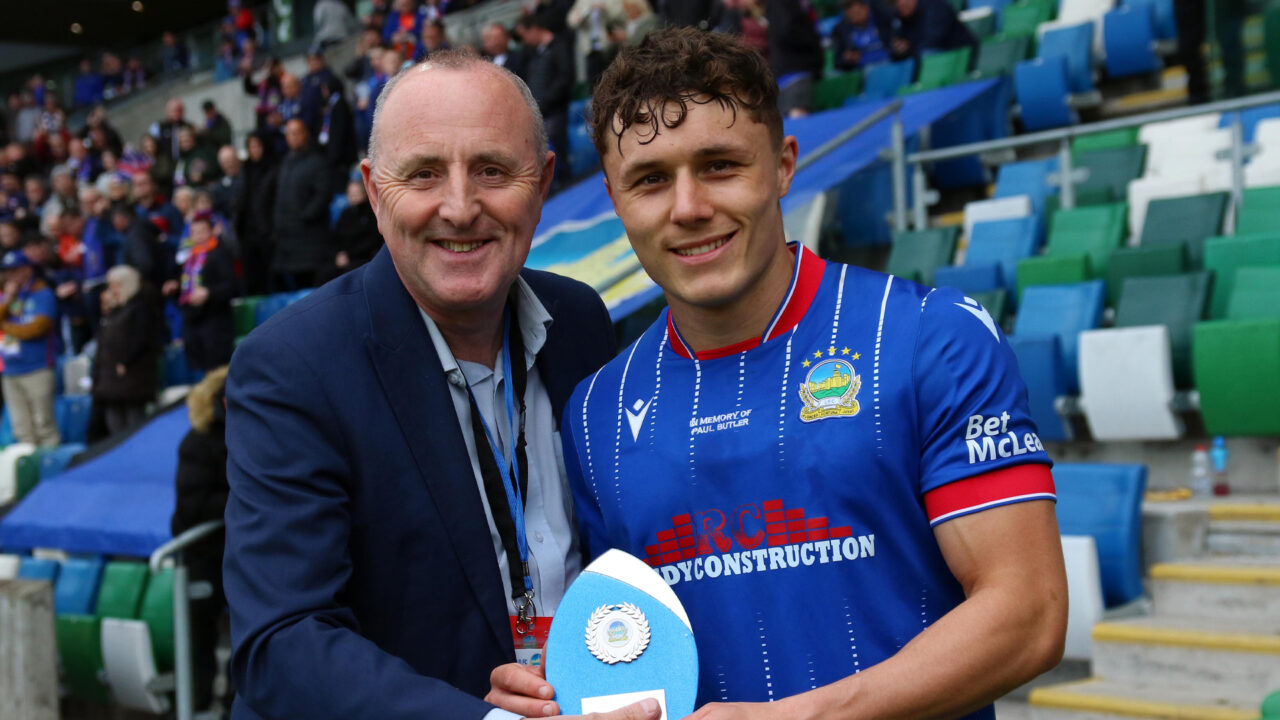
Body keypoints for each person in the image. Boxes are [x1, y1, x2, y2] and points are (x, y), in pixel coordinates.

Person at [489, 28, 1067, 719]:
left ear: (784, 166)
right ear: (615, 199)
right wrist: (551, 689)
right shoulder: (596, 411)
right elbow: (625, 647)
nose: (688, 207)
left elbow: (1029, 614)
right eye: (650, 180)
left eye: (720, 165)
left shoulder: (929, 336)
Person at [223, 50, 651, 720]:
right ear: (373, 190)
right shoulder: (293, 366)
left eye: (492, 170)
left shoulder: (580, 321)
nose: (459, 207)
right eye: (423, 173)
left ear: (542, 183)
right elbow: (282, 641)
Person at [172, 365, 234, 714]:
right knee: (199, 637)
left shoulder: (253, 440)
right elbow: (191, 506)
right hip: (204, 555)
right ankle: (197, 703)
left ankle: (234, 704)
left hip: (234, 553)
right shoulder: (198, 442)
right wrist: (244, 499)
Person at [91, 264, 161, 434]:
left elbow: (142, 340)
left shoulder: (141, 308)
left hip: (132, 377)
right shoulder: (115, 311)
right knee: (114, 423)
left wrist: (125, 362)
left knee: (134, 424)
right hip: (111, 379)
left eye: (115, 285)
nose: (111, 290)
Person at [0, 249, 60, 446]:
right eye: (7, 271)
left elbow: (37, 329)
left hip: (37, 367)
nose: (10, 275)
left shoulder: (42, 294)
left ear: (27, 270)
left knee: (44, 425)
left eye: (15, 270)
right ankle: (28, 464)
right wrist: (8, 299)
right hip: (10, 369)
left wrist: (5, 326)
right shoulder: (8, 296)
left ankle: (50, 463)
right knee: (21, 429)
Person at [173, 211, 237, 372]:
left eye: (202, 231)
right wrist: (174, 287)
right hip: (193, 320)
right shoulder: (188, 258)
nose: (198, 236)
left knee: (217, 369)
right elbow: (184, 286)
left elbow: (231, 285)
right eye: (194, 232)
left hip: (215, 320)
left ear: (211, 231)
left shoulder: (220, 253)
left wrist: (209, 292)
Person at [271, 119, 330, 290]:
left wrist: (306, 215)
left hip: (310, 240)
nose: (293, 137)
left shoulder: (317, 161)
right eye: (289, 133)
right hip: (287, 241)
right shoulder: (285, 162)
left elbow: (323, 194)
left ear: (305, 134)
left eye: (297, 133)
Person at [519, 15, 574, 190]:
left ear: (534, 29)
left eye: (524, 35)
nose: (524, 41)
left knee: (559, 150)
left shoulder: (559, 46)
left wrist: (547, 102)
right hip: (540, 110)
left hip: (555, 110)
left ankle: (566, 186)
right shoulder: (535, 53)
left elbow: (565, 78)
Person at [235, 132, 278, 296]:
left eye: (257, 146)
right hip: (247, 231)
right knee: (251, 278)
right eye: (250, 147)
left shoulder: (274, 169)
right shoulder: (245, 170)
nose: (254, 150)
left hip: (267, 231)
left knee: (270, 278)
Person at [317, 179, 381, 284]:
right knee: (324, 273)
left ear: (364, 194)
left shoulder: (372, 214)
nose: (353, 197)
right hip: (344, 257)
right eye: (350, 194)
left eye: (356, 194)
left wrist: (349, 255)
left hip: (362, 258)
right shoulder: (346, 213)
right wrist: (338, 254)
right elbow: (335, 238)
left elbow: (372, 241)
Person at [766, 0, 823, 117]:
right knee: (797, 118)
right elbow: (784, 31)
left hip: (799, 71)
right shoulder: (781, 3)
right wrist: (813, 41)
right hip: (793, 73)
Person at [885, 0, 976, 61]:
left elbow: (932, 41)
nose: (898, 5)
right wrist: (899, 50)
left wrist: (910, 49)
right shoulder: (899, 17)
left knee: (927, 54)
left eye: (899, 0)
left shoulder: (934, 6)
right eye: (894, 2)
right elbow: (896, 44)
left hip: (960, 54)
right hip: (928, 57)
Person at [833, 0, 888, 71]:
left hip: (888, 63)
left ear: (866, 8)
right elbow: (838, 62)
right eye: (851, 14)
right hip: (863, 69)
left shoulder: (881, 21)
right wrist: (847, 58)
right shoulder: (842, 31)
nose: (854, 16)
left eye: (857, 13)